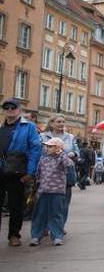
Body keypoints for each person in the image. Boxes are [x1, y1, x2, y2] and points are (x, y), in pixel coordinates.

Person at [0, 98, 41, 246]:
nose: (10, 110)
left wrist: (30, 172)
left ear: (19, 110)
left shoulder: (28, 126)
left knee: (15, 205)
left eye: (13, 108)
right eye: (7, 108)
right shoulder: (1, 126)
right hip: (1, 169)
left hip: (18, 171)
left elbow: (35, 150)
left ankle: (14, 235)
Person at [30, 138, 74, 246]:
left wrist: (62, 153)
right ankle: (36, 236)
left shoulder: (62, 158)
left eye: (50, 146)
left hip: (57, 191)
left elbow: (69, 164)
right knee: (39, 214)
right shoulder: (43, 158)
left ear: (58, 148)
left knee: (56, 214)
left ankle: (57, 236)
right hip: (43, 190)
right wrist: (37, 186)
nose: (47, 148)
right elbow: (38, 173)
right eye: (47, 146)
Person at [40, 115, 80, 225]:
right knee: (46, 201)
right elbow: (40, 152)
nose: (61, 124)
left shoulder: (70, 137)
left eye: (63, 121)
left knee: (64, 202)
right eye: (58, 121)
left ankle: (60, 225)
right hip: (48, 173)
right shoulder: (43, 136)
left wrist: (73, 153)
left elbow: (77, 151)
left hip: (65, 172)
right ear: (52, 123)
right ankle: (46, 225)